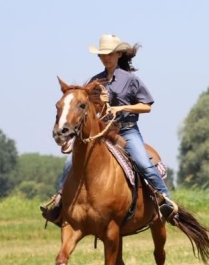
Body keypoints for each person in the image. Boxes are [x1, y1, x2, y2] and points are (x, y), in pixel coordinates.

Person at [41, 34, 177, 225]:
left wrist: (121, 107)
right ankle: (59, 204)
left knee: (143, 163)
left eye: (110, 54)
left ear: (119, 54)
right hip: (103, 133)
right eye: (102, 54)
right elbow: (88, 111)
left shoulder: (131, 80)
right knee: (69, 164)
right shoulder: (94, 82)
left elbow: (147, 106)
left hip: (127, 131)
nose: (106, 57)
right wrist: (101, 107)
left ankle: (167, 201)